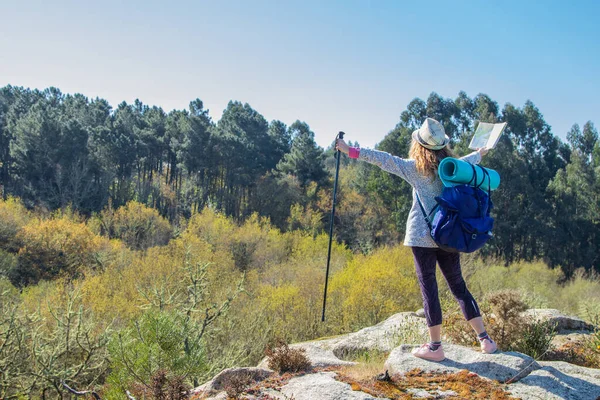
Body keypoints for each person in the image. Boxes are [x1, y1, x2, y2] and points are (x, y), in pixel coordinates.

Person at [335, 117, 497, 361]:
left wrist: (349, 150)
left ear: (419, 145)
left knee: (429, 287)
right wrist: (480, 154)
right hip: (449, 236)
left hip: (422, 238)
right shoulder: (453, 168)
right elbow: (470, 161)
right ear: (443, 146)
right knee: (458, 286)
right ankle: (485, 339)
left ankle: (435, 347)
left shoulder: (413, 169)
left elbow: (383, 159)